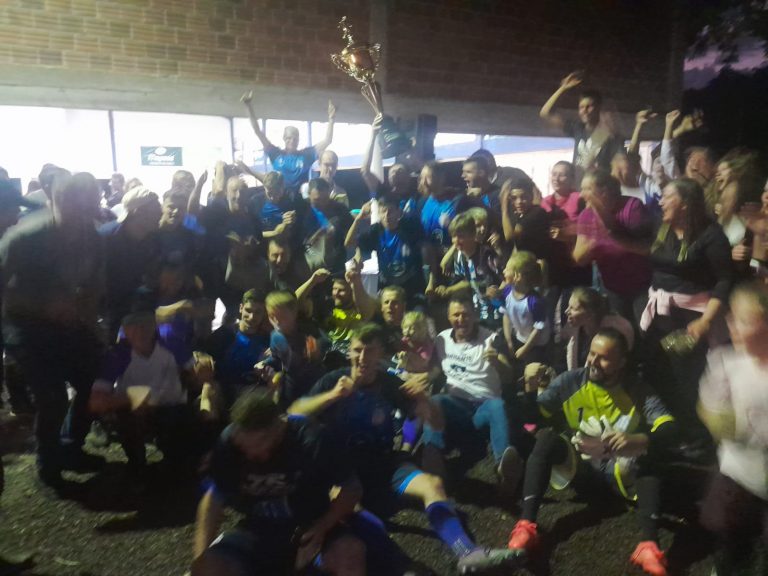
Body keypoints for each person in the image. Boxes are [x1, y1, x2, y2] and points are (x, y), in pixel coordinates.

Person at [289, 323, 524, 574]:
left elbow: (436, 424)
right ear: (349, 352)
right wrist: (332, 396)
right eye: (357, 350)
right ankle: (405, 567)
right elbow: (293, 413)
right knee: (349, 508)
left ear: (380, 355)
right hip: (344, 472)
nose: (363, 357)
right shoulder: (334, 379)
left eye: (370, 351)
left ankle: (468, 553)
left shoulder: (389, 384)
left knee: (432, 485)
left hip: (383, 463)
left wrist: (424, 400)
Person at [508, 329, 678, 576]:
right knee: (546, 439)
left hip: (620, 473)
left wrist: (640, 439)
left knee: (649, 452)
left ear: (622, 362)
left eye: (604, 357)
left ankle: (649, 546)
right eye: (591, 354)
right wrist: (529, 390)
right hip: (581, 469)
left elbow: (669, 427)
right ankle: (527, 526)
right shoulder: (571, 381)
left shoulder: (637, 388)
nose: (593, 362)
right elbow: (533, 418)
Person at [191, 388, 371, 576]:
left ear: (278, 428)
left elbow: (352, 488)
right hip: (258, 528)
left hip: (311, 521)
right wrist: (201, 558)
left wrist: (323, 525)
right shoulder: (230, 442)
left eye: (259, 443)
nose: (250, 452)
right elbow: (213, 499)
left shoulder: (312, 438)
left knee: (349, 553)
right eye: (244, 446)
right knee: (210, 568)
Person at [0, 172, 105, 487]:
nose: (80, 219)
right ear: (55, 202)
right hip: (23, 325)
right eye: (74, 209)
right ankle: (49, 463)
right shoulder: (24, 237)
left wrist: (89, 325)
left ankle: (71, 446)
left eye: (86, 210)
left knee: (95, 381)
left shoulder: (90, 236)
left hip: (66, 322)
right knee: (52, 396)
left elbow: (93, 287)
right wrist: (42, 307)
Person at [639, 178, 732, 434]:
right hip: (660, 313)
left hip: (691, 317)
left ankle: (697, 437)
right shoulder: (661, 227)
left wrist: (705, 321)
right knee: (660, 371)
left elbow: (725, 280)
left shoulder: (711, 235)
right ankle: (670, 431)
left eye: (667, 196)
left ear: (685, 204)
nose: (661, 202)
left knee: (688, 378)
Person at [698, 281, 768, 576]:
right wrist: (715, 416)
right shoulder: (726, 363)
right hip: (736, 474)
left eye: (744, 321)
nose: (733, 326)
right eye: (732, 318)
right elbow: (709, 406)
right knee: (730, 539)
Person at [421, 298, 525, 491]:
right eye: (456, 315)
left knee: (497, 405)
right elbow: (434, 370)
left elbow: (509, 376)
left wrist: (497, 362)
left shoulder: (492, 339)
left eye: (466, 314)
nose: (461, 319)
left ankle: (504, 468)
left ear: (475, 316)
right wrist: (417, 378)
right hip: (456, 406)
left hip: (484, 407)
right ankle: (433, 461)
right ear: (449, 317)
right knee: (434, 401)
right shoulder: (442, 339)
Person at [88, 310, 197, 482]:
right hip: (136, 409)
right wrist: (132, 398)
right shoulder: (118, 355)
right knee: (127, 420)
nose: (140, 331)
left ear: (154, 325)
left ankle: (175, 462)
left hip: (171, 406)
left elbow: (195, 373)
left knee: (179, 425)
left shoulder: (171, 343)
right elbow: (96, 402)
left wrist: (198, 376)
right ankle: (137, 465)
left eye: (145, 324)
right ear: (125, 329)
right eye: (132, 325)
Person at [573, 169, 652, 324]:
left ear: (604, 191)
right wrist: (595, 237)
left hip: (641, 286)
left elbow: (646, 248)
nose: (581, 195)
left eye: (587, 189)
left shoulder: (632, 207)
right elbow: (579, 258)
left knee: (644, 330)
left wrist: (612, 235)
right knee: (619, 329)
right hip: (611, 287)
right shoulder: (586, 215)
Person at [241, 90, 336, 194]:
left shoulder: (307, 155)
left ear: (298, 140)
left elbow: (328, 140)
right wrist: (248, 106)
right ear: (284, 138)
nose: (292, 141)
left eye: (295, 138)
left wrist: (331, 119)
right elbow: (258, 131)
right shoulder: (275, 154)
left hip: (301, 199)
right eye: (289, 138)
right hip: (279, 198)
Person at [100, 186, 163, 339]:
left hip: (140, 310)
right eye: (156, 209)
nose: (161, 214)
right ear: (138, 211)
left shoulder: (153, 238)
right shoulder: (106, 237)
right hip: (109, 312)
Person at [346, 193, 428, 305]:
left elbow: (427, 248)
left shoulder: (410, 226)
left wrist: (431, 280)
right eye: (383, 211)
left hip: (412, 287)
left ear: (399, 212)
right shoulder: (376, 231)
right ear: (379, 214)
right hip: (386, 288)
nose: (387, 215)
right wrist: (358, 218)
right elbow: (349, 243)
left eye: (391, 211)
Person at [540, 71, 624, 175]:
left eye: (589, 106)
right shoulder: (577, 128)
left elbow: (620, 167)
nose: (584, 110)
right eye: (581, 107)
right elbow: (545, 113)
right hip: (578, 183)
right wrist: (563, 88)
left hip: (599, 183)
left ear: (598, 108)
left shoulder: (610, 134)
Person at [431, 213, 503, 328]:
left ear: (473, 235)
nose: (456, 241)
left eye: (461, 236)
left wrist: (500, 290)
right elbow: (466, 281)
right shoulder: (459, 257)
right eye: (454, 236)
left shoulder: (487, 255)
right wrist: (448, 290)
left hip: (498, 312)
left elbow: (507, 279)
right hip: (477, 313)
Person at [205, 289, 271, 409]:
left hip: (252, 393)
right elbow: (204, 356)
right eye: (248, 310)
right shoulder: (224, 334)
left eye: (258, 312)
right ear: (241, 308)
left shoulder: (268, 340)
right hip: (224, 390)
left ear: (264, 313)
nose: (252, 317)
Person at [264, 291, 329, 408]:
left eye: (282, 316)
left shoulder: (308, 330)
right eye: (271, 316)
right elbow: (276, 358)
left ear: (294, 313)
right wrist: (265, 363)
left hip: (315, 383)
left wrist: (318, 350)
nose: (277, 321)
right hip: (291, 385)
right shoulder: (275, 336)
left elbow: (327, 343)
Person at [561, 287, 634, 372]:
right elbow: (571, 357)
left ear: (590, 313)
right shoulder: (575, 325)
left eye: (573, 308)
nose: (566, 311)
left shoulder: (614, 330)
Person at [501, 251, 550, 365]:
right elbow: (506, 315)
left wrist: (525, 349)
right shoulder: (507, 292)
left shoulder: (535, 302)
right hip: (521, 336)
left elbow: (538, 330)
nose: (503, 271)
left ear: (517, 276)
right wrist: (508, 341)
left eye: (507, 269)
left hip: (536, 344)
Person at [301, 177, 352, 274]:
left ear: (329, 193)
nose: (322, 204)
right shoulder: (302, 212)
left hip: (336, 265)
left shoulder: (340, 210)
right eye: (317, 200)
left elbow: (352, 234)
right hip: (309, 266)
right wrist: (320, 234)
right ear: (309, 194)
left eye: (325, 199)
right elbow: (301, 242)